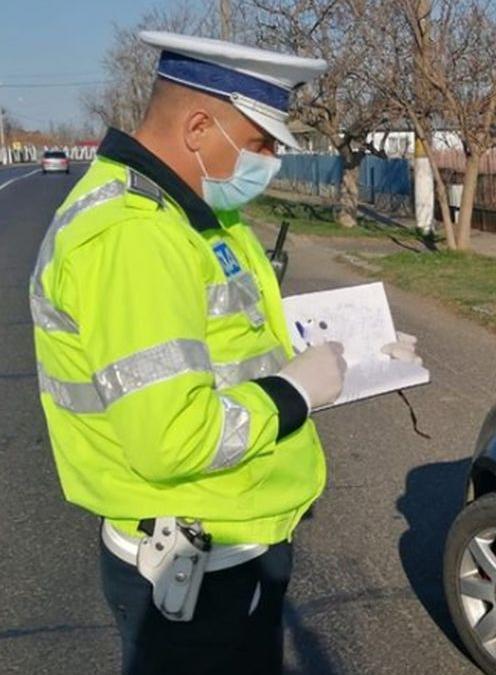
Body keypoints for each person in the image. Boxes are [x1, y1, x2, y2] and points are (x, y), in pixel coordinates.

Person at [29, 32, 418, 673]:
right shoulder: (134, 240)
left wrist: (358, 348)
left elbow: (233, 338)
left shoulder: (197, 214)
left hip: (233, 548)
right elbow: (174, 438)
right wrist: (293, 393)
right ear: (199, 127)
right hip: (193, 575)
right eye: (262, 143)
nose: (270, 162)